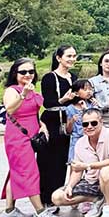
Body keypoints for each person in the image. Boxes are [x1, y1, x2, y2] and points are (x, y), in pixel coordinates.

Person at [0, 58, 61, 217]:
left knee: (16, 171)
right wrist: (23, 94)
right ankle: (40, 211)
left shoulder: (33, 90)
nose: (28, 75)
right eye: (23, 72)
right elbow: (10, 110)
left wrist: (42, 125)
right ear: (15, 74)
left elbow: (33, 112)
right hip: (18, 138)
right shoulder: (12, 91)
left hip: (33, 135)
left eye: (31, 71)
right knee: (29, 172)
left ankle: (9, 210)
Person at [51, 108, 109, 217]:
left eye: (94, 123)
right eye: (85, 124)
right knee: (57, 197)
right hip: (91, 182)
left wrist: (88, 166)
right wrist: (70, 186)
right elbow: (77, 170)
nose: (89, 126)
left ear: (101, 122)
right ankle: (96, 199)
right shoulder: (80, 143)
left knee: (106, 170)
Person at [37, 44, 77, 206]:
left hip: (70, 124)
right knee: (48, 163)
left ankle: (58, 197)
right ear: (59, 58)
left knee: (63, 162)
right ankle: (46, 200)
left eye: (74, 56)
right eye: (69, 56)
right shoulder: (49, 78)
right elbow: (47, 103)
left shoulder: (73, 77)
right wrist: (64, 100)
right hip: (53, 124)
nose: (72, 59)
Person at [63, 80, 97, 165]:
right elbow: (68, 131)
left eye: (90, 89)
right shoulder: (70, 108)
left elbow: (95, 122)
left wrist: (86, 109)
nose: (89, 91)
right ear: (76, 93)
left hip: (91, 141)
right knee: (75, 166)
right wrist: (72, 121)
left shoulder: (92, 105)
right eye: (85, 89)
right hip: (76, 141)